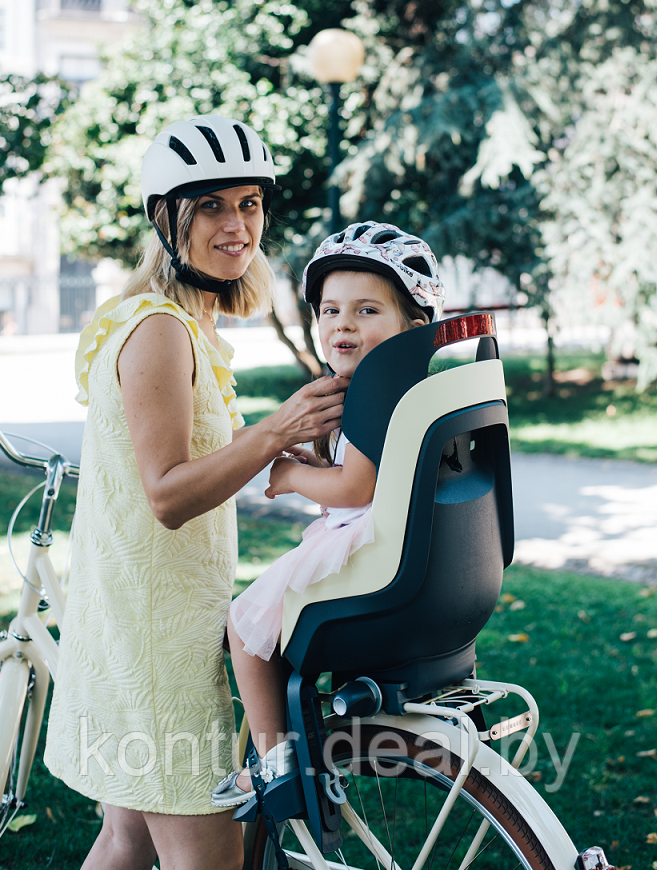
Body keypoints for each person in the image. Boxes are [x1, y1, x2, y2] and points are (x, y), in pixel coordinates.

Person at [43, 115, 348, 870]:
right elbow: (168, 495)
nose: (237, 224)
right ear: (165, 218)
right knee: (205, 853)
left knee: (127, 838)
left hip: (141, 614)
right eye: (211, 205)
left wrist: (279, 454)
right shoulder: (159, 330)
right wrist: (274, 431)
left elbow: (201, 466)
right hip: (156, 638)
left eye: (248, 203)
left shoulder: (193, 324)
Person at [211, 221, 445, 808]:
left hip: (368, 547)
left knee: (245, 627)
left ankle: (276, 762)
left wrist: (289, 476)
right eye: (331, 310)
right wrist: (315, 452)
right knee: (268, 622)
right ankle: (305, 743)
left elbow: (353, 485)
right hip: (399, 547)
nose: (343, 323)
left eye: (367, 310)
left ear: (413, 326)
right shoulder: (402, 385)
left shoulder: (376, 388)